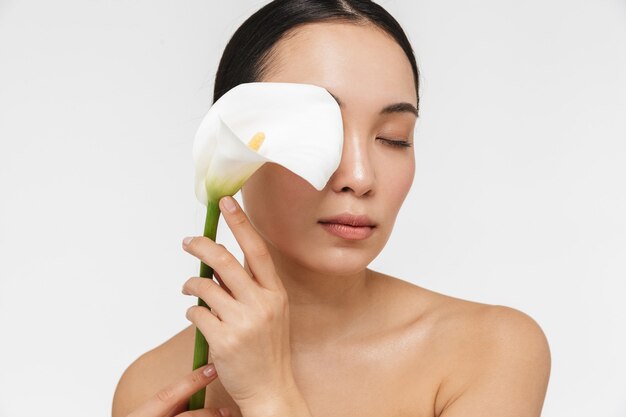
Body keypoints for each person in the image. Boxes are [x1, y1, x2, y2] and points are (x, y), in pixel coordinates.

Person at [112, 1, 551, 416]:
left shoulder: (488, 349)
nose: (359, 178)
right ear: (238, 136)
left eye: (394, 138)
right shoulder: (154, 384)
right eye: (320, 136)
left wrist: (271, 396)